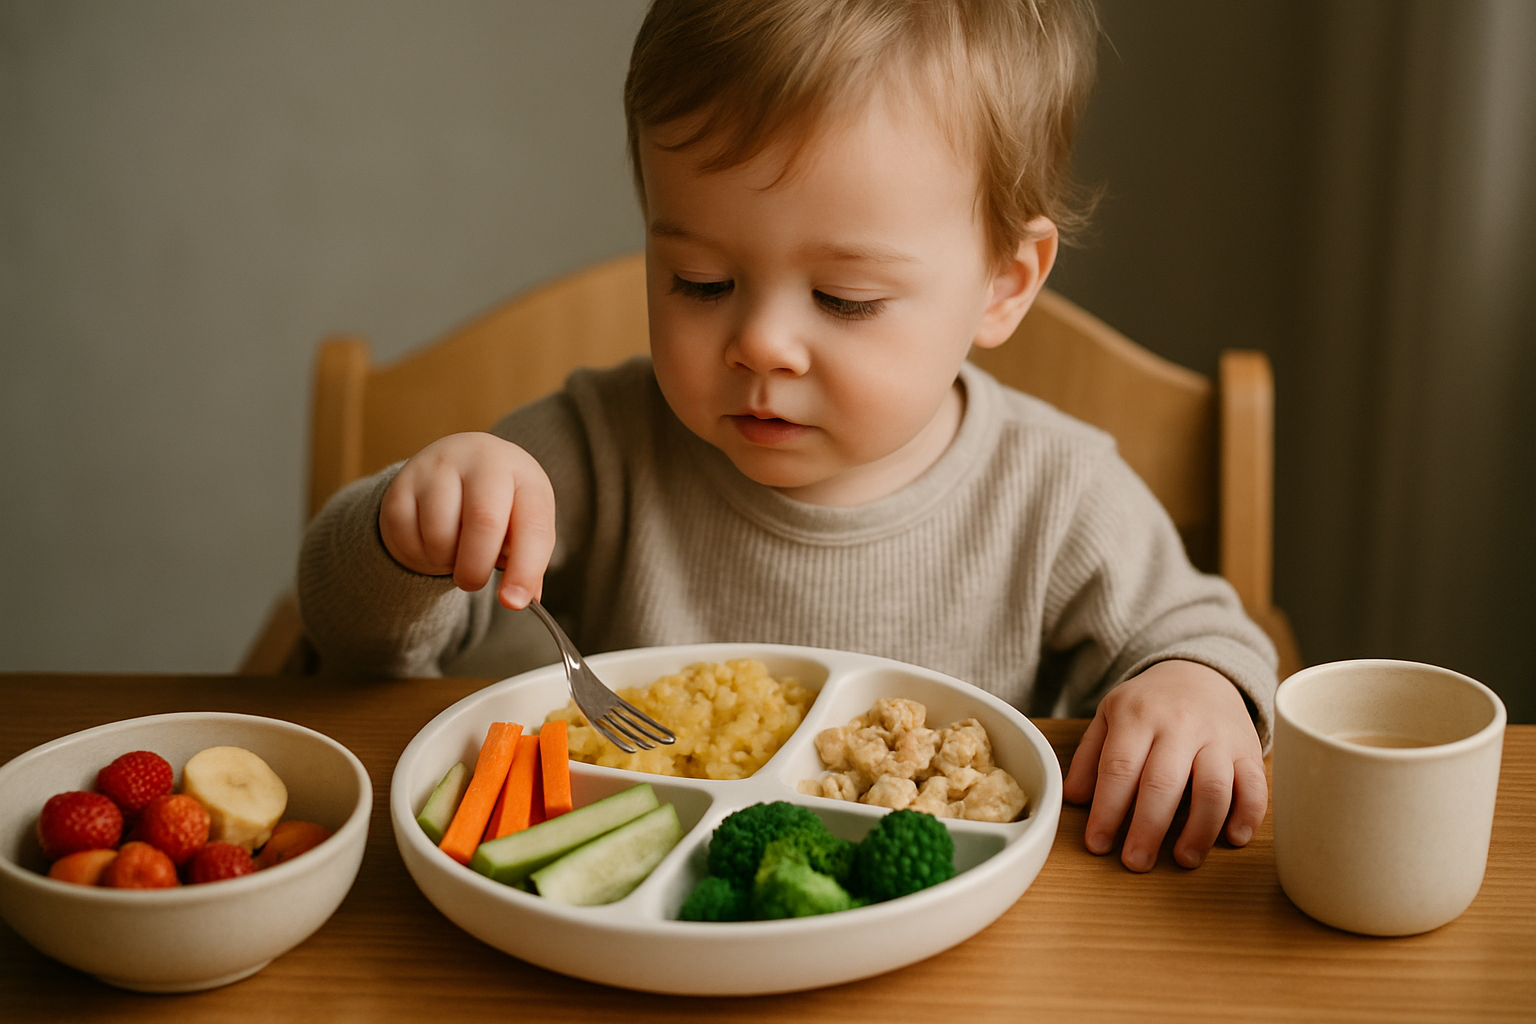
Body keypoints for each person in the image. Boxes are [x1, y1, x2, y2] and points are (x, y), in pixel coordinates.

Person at [298, 0, 1276, 873]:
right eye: (701, 284)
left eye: (845, 299)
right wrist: (409, 533)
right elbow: (351, 640)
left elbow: (1207, 636)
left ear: (1004, 283)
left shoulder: (1056, 492)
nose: (760, 342)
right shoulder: (599, 446)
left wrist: (1195, 687)